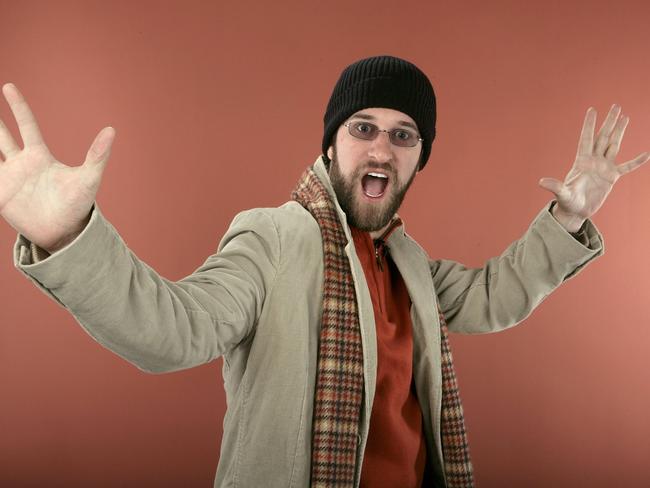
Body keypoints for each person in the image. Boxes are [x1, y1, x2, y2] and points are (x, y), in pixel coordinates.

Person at [1, 55, 648, 488]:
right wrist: (67, 234)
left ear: (420, 158)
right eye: (364, 127)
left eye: (404, 135)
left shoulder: (408, 261)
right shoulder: (276, 236)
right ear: (331, 143)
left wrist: (567, 219)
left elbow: (491, 297)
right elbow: (175, 330)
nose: (382, 148)